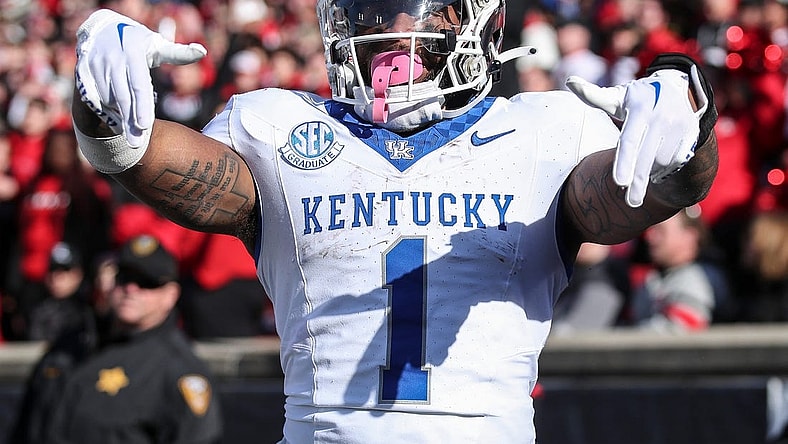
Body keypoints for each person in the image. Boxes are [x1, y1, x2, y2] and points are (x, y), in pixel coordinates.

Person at [70, 2, 718, 442]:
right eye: (370, 7)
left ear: (480, 24)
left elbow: (642, 192)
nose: (394, 24)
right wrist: (100, 112)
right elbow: (145, 157)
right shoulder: (280, 125)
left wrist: (688, 126)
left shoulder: (544, 130)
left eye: (420, 7)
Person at [9, 234, 223, 444]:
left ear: (171, 294)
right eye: (124, 278)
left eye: (146, 282)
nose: (131, 289)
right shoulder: (71, 343)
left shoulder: (179, 369)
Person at [629, 206, 723, 332]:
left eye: (661, 231)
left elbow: (679, 332)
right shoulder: (657, 277)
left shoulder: (698, 278)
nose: (650, 237)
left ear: (689, 236)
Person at [28, 241, 93, 343]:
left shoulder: (90, 308)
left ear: (78, 274)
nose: (56, 277)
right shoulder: (38, 311)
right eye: (52, 270)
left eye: (64, 270)